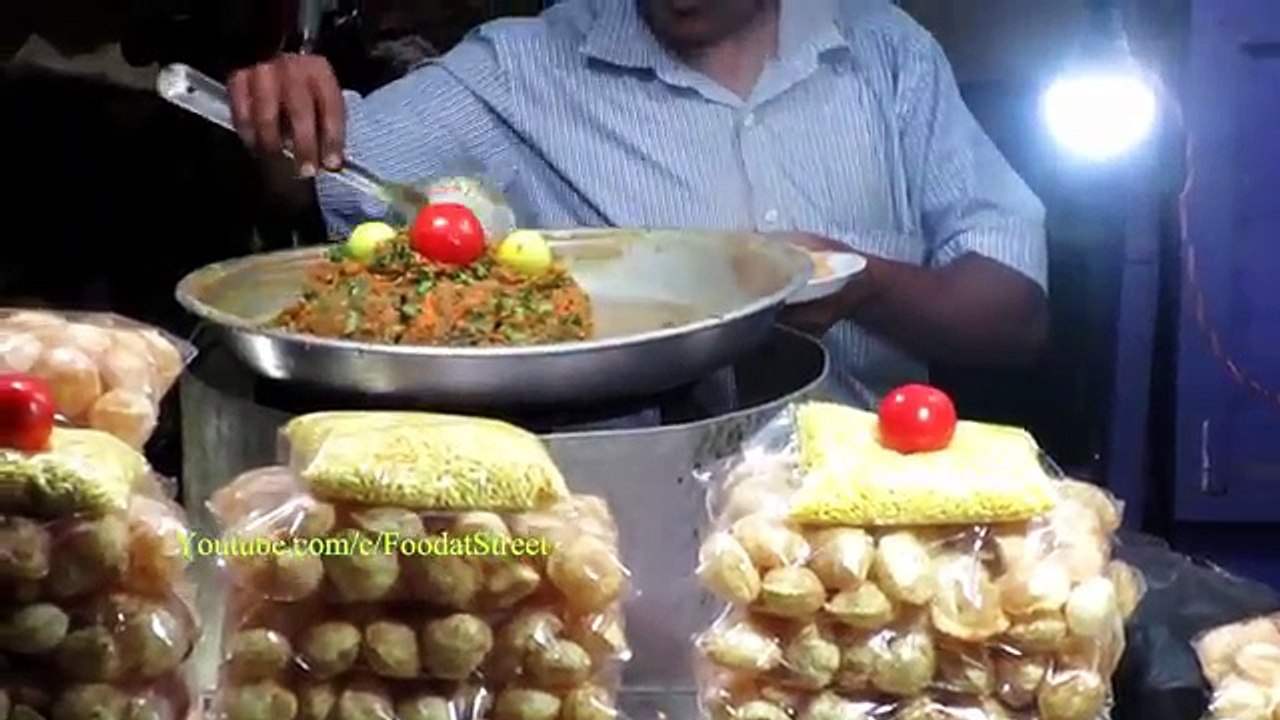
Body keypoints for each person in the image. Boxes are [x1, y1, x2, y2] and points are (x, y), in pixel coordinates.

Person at [228, 0, 1049, 400]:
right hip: (621, 519)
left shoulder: (887, 56)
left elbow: (1012, 318)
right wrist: (286, 108)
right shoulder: (525, 68)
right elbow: (321, 175)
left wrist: (866, 281)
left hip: (867, 511)